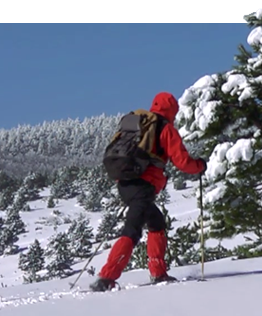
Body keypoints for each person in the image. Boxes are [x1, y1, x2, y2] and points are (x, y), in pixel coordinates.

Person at [89, 92, 207, 292]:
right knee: (132, 230)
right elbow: (183, 162)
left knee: (156, 222)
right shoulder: (165, 128)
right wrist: (200, 166)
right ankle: (106, 278)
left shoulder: (140, 124)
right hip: (143, 185)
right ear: (172, 111)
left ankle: (158, 272)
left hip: (126, 183)